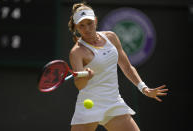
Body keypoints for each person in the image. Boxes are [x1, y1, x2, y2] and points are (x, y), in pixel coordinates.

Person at [68, 2, 168, 131]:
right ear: (76, 27)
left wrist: (143, 88)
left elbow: (127, 67)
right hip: (89, 105)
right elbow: (79, 84)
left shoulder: (111, 37)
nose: (87, 29)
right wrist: (86, 77)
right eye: (82, 25)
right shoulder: (77, 52)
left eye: (89, 23)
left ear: (95, 21)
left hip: (113, 103)